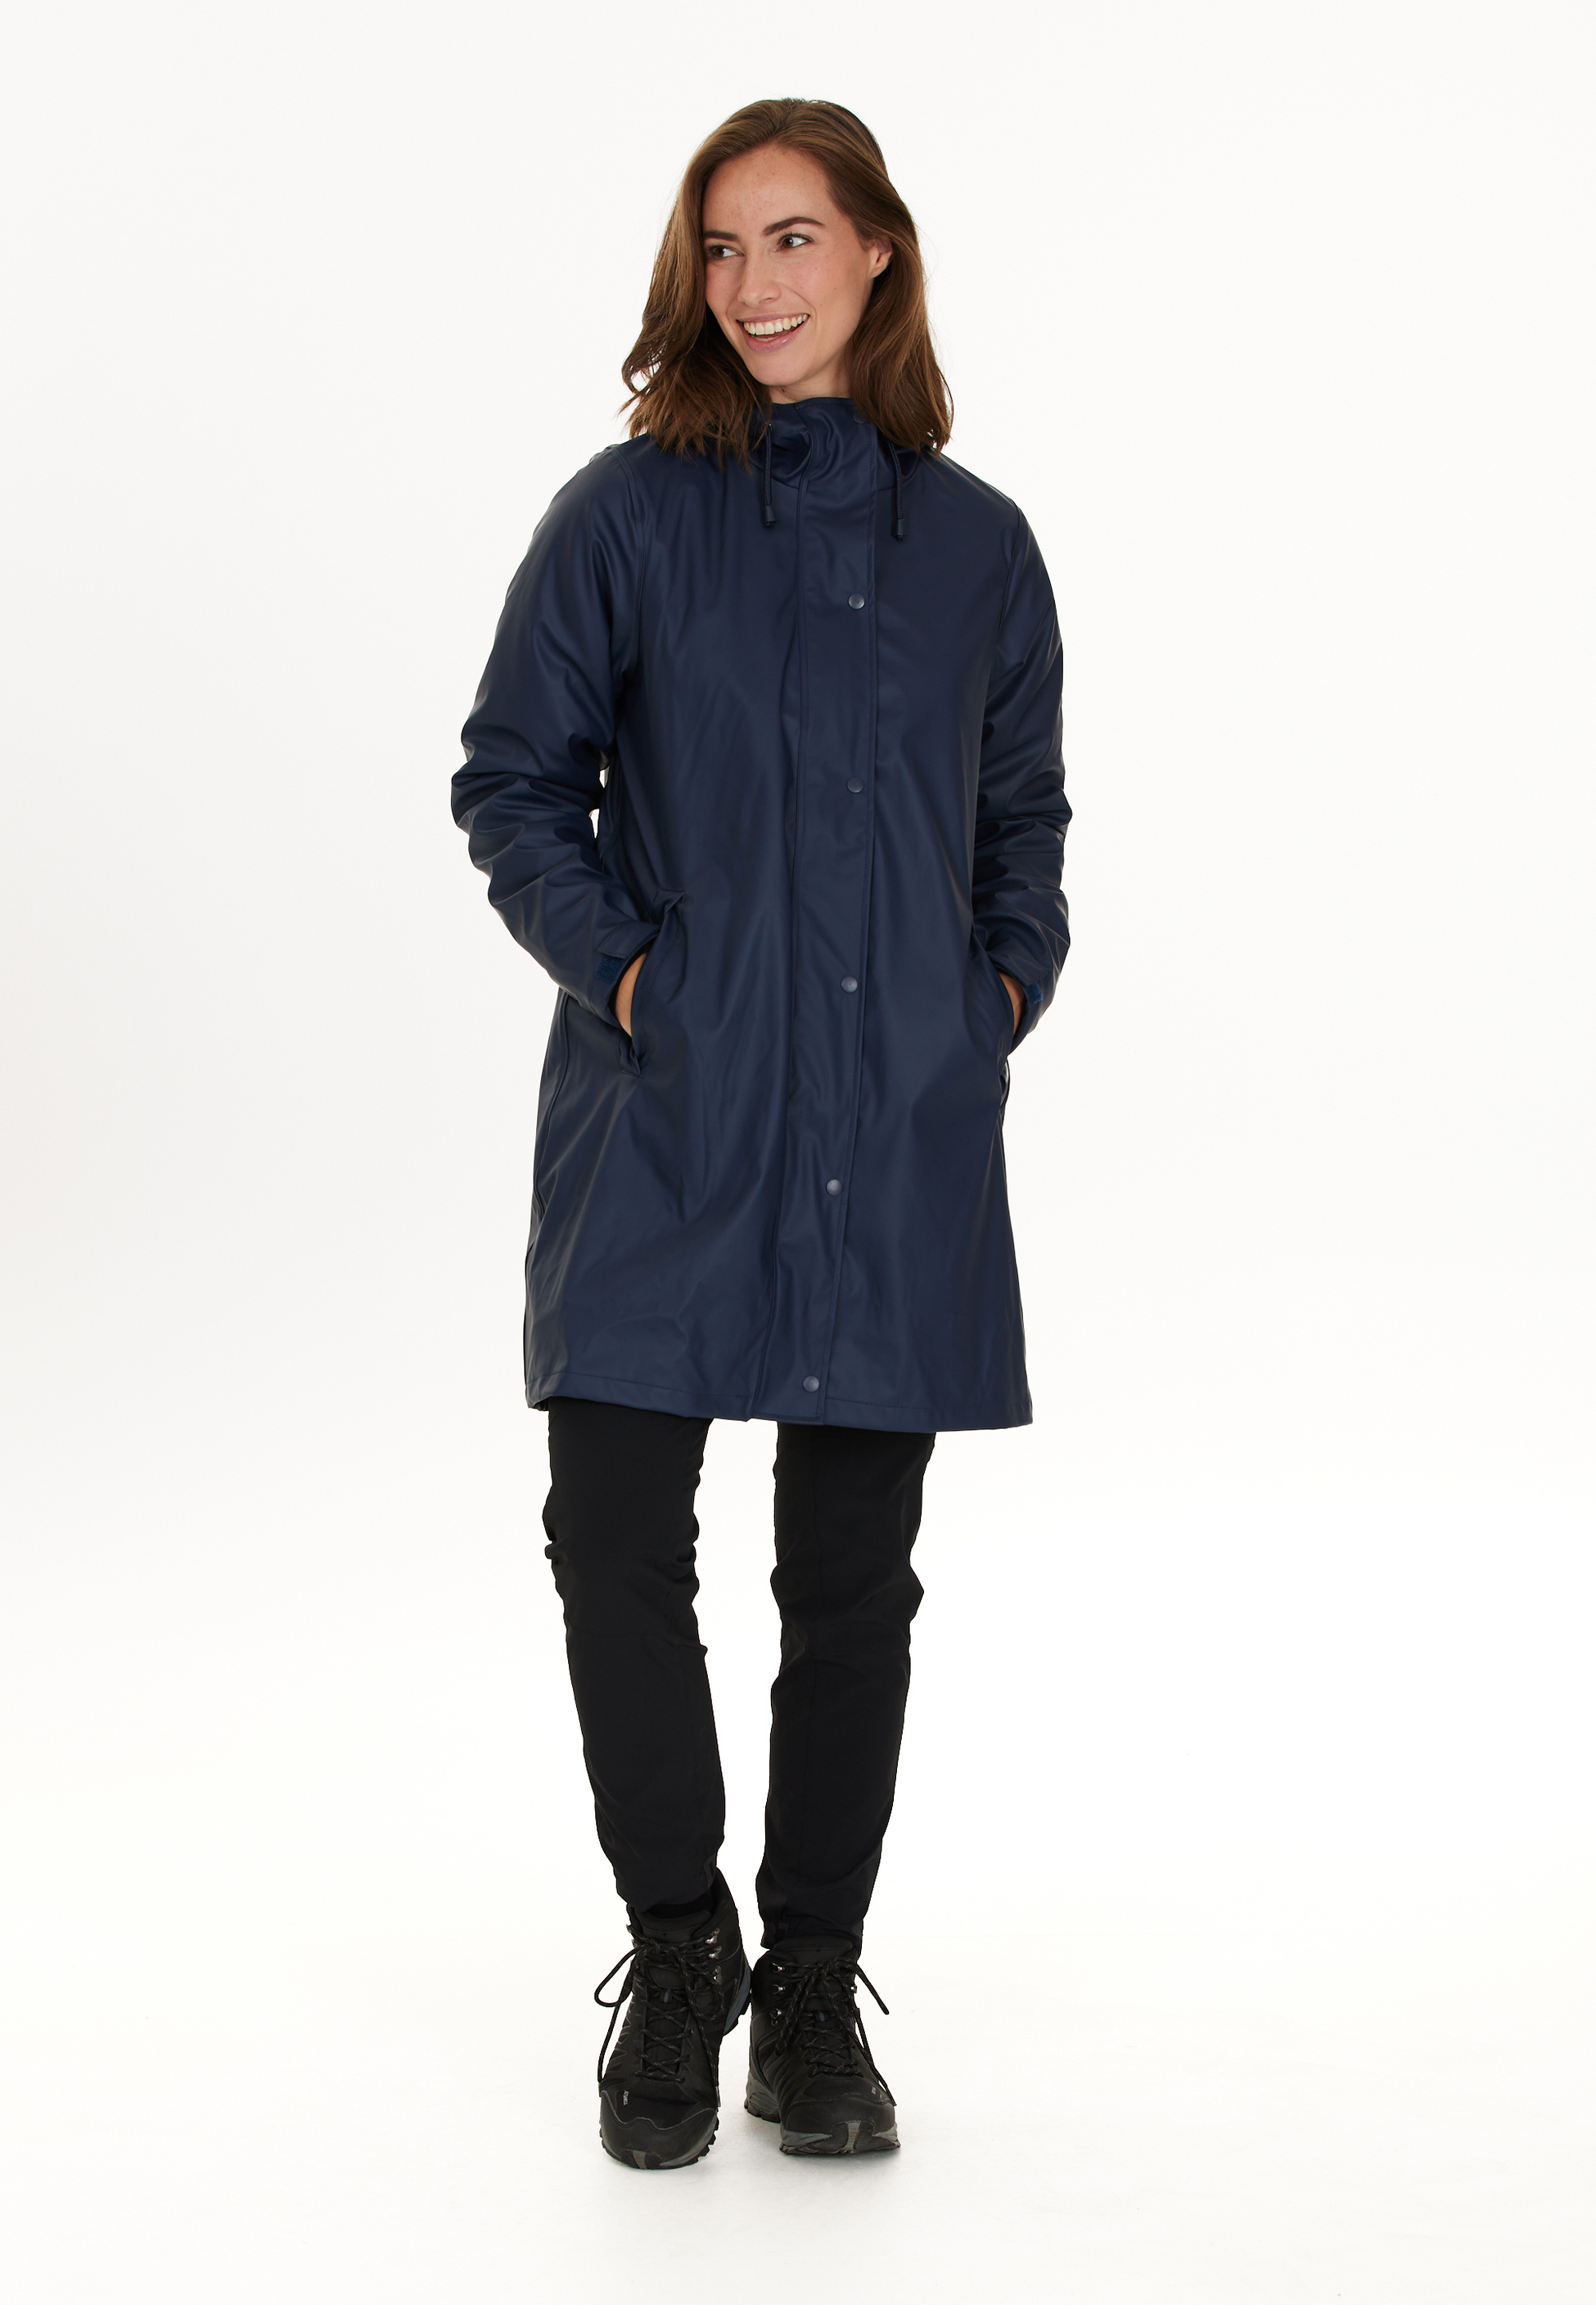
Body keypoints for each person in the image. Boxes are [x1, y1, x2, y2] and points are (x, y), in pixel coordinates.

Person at [450, 97, 1070, 2167]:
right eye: (722, 248)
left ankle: (811, 1984)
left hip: (892, 1126)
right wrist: (639, 982)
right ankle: (678, 1944)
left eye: (793, 238)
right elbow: (513, 777)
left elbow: (1022, 827)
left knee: (852, 1576)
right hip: (670, 1117)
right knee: (613, 1532)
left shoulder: (977, 548)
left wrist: (989, 1000)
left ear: (879, 251)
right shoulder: (626, 517)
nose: (755, 285)